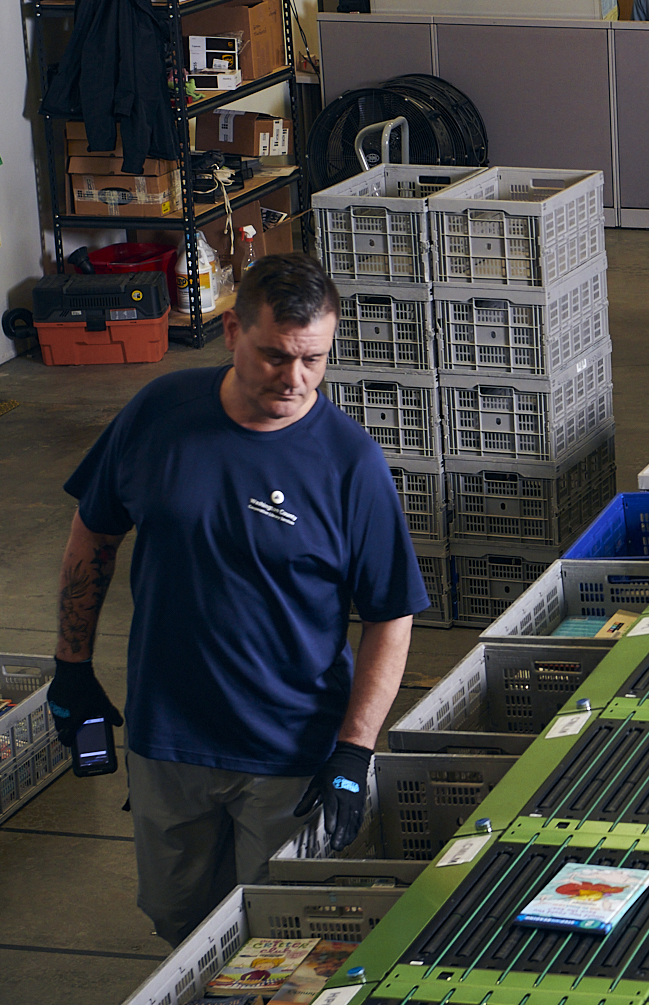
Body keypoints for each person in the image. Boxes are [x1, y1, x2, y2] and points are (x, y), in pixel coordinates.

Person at [52, 254, 428, 945]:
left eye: (314, 359)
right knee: (178, 923)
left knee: (287, 937)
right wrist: (71, 665)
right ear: (232, 332)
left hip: (291, 751)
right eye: (276, 356)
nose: (296, 379)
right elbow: (94, 534)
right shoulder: (159, 415)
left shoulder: (350, 464)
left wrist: (354, 749)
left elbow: (389, 614)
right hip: (170, 738)